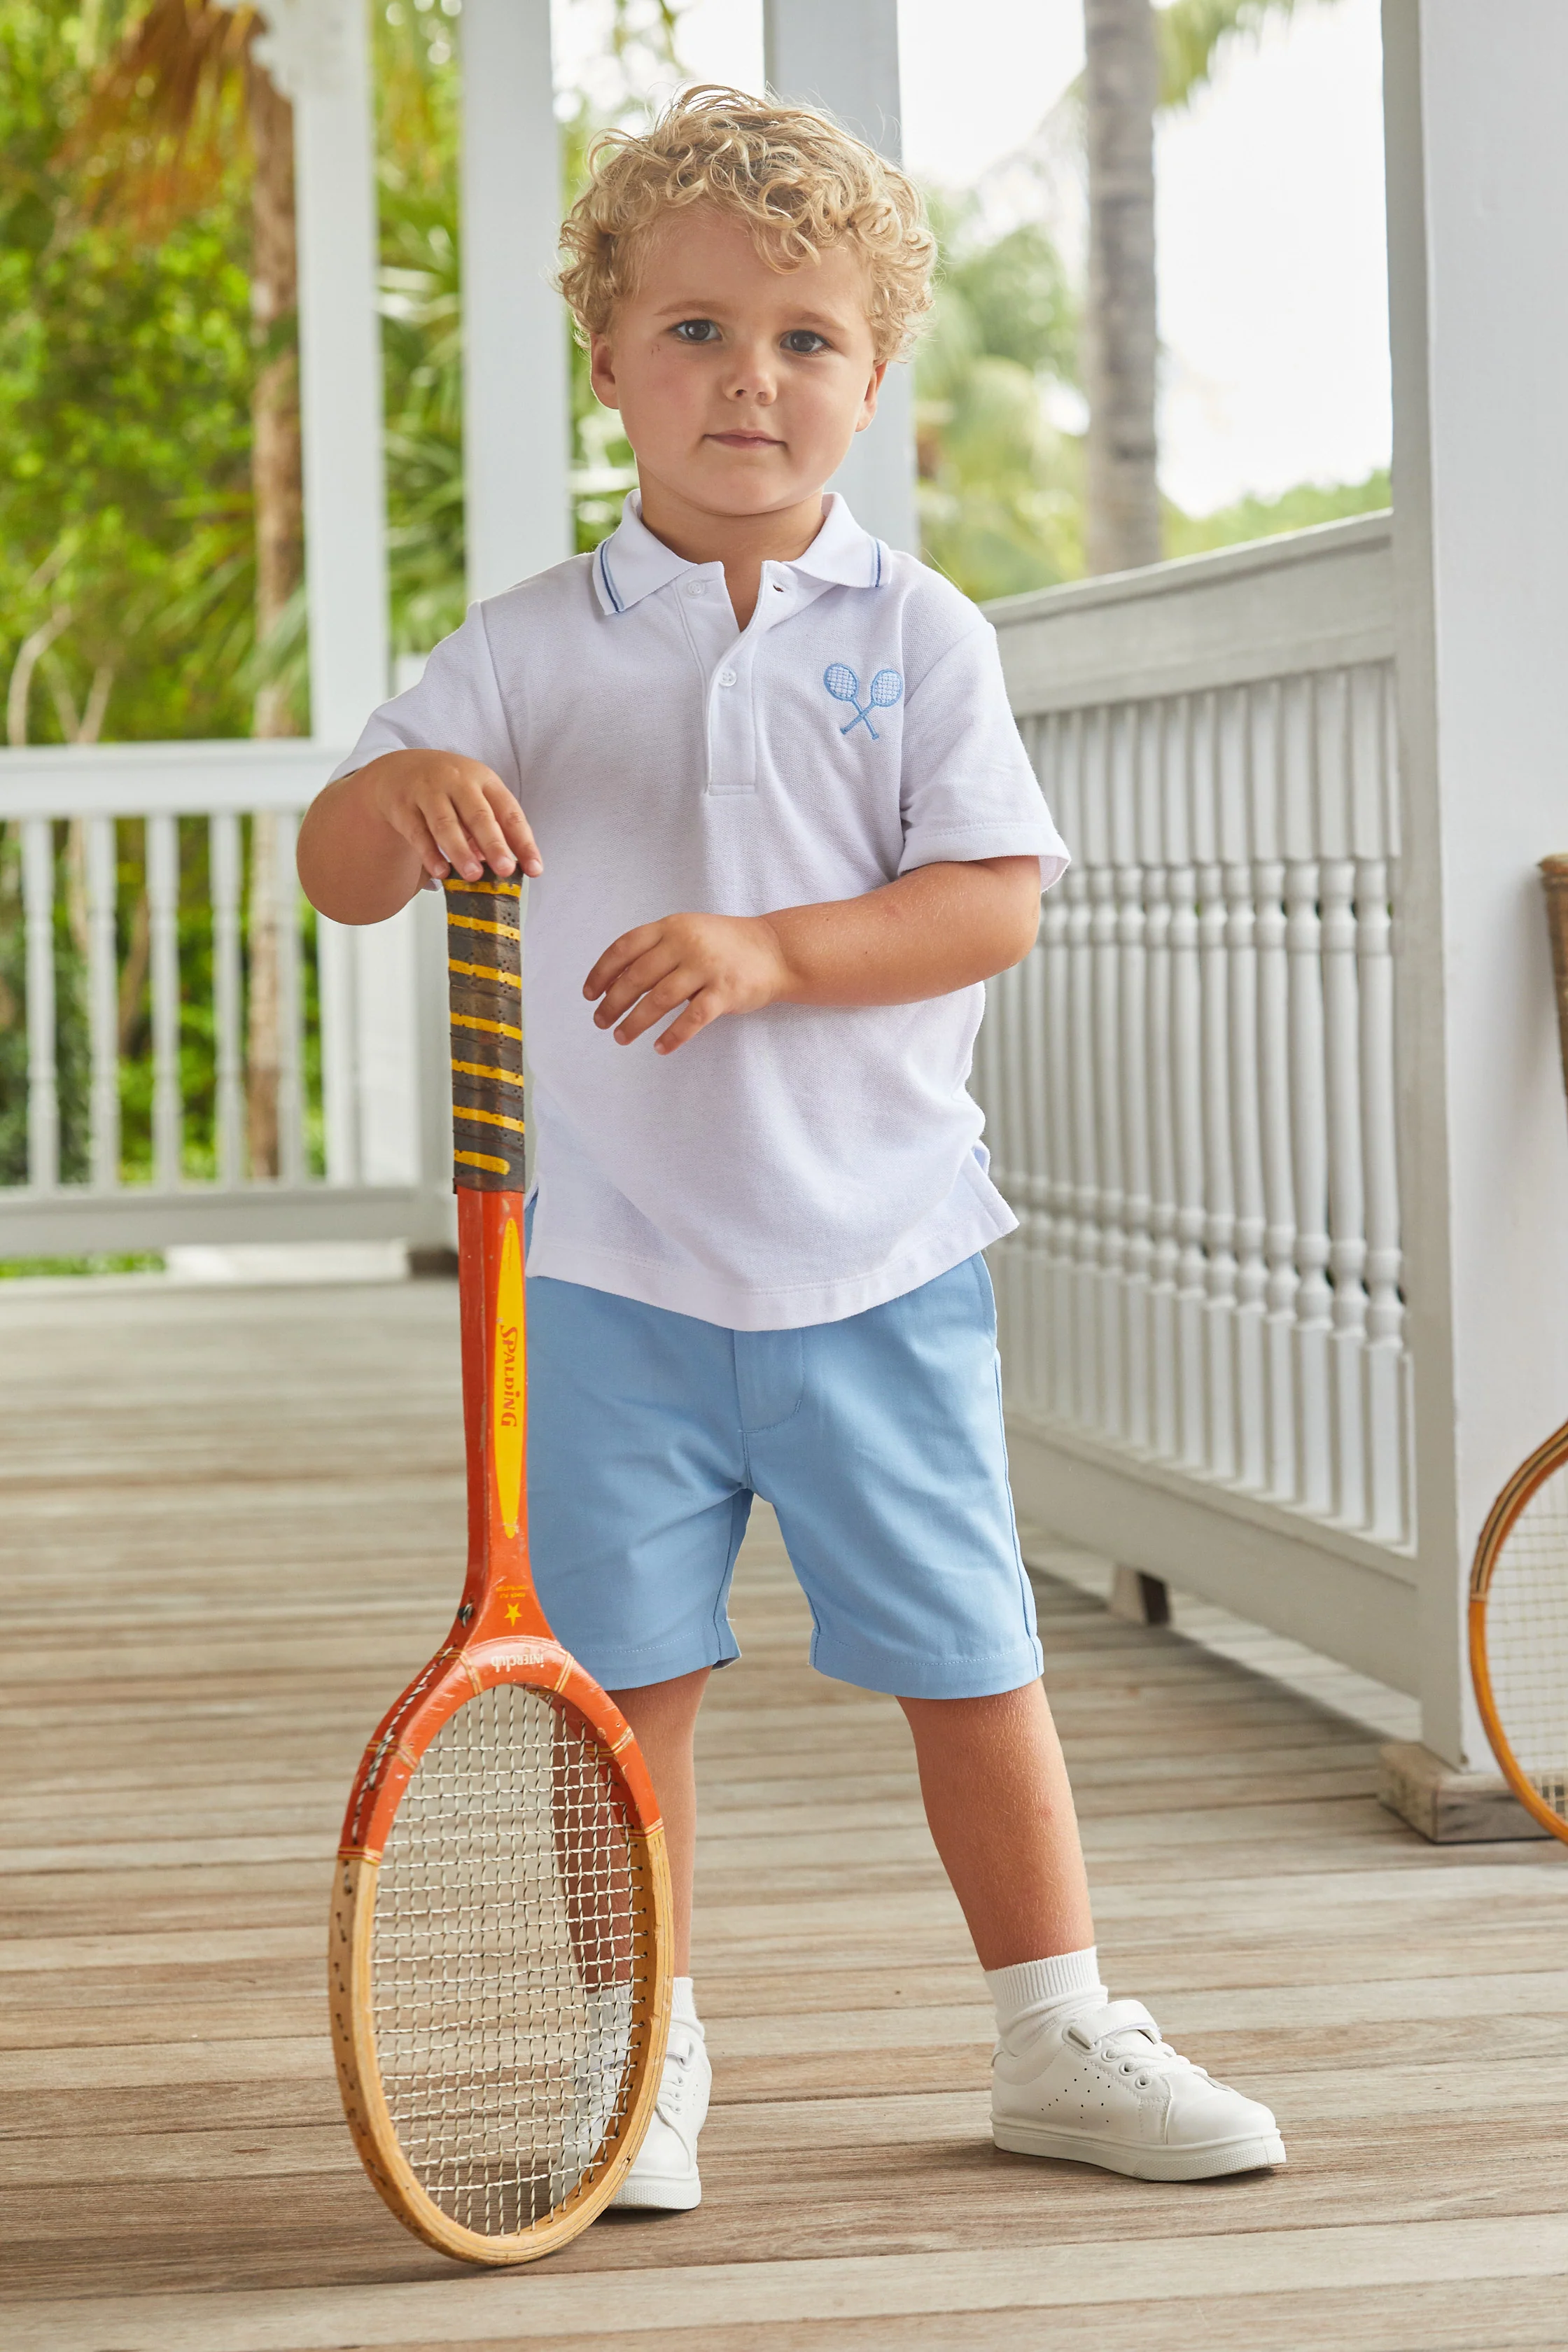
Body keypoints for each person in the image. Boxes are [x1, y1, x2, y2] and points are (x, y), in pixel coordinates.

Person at [298, 84, 1284, 2208]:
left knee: (970, 1661)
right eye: (697, 332)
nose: (750, 379)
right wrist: (409, 803)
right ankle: (634, 2050)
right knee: (613, 1690)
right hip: (606, 1283)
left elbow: (994, 900)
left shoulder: (919, 635)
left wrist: (766, 950)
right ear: (610, 362)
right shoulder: (528, 649)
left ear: (874, 372)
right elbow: (341, 858)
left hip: (880, 1266)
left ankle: (1056, 2033)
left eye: (806, 337)